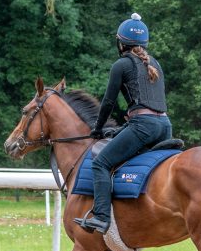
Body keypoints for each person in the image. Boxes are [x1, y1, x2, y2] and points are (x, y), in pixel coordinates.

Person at [74, 13, 172, 234]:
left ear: (121, 43)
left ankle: (100, 217)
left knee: (101, 164)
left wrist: (97, 129)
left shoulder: (121, 65)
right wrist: (120, 130)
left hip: (143, 126)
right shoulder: (155, 63)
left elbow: (108, 102)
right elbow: (150, 106)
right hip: (165, 126)